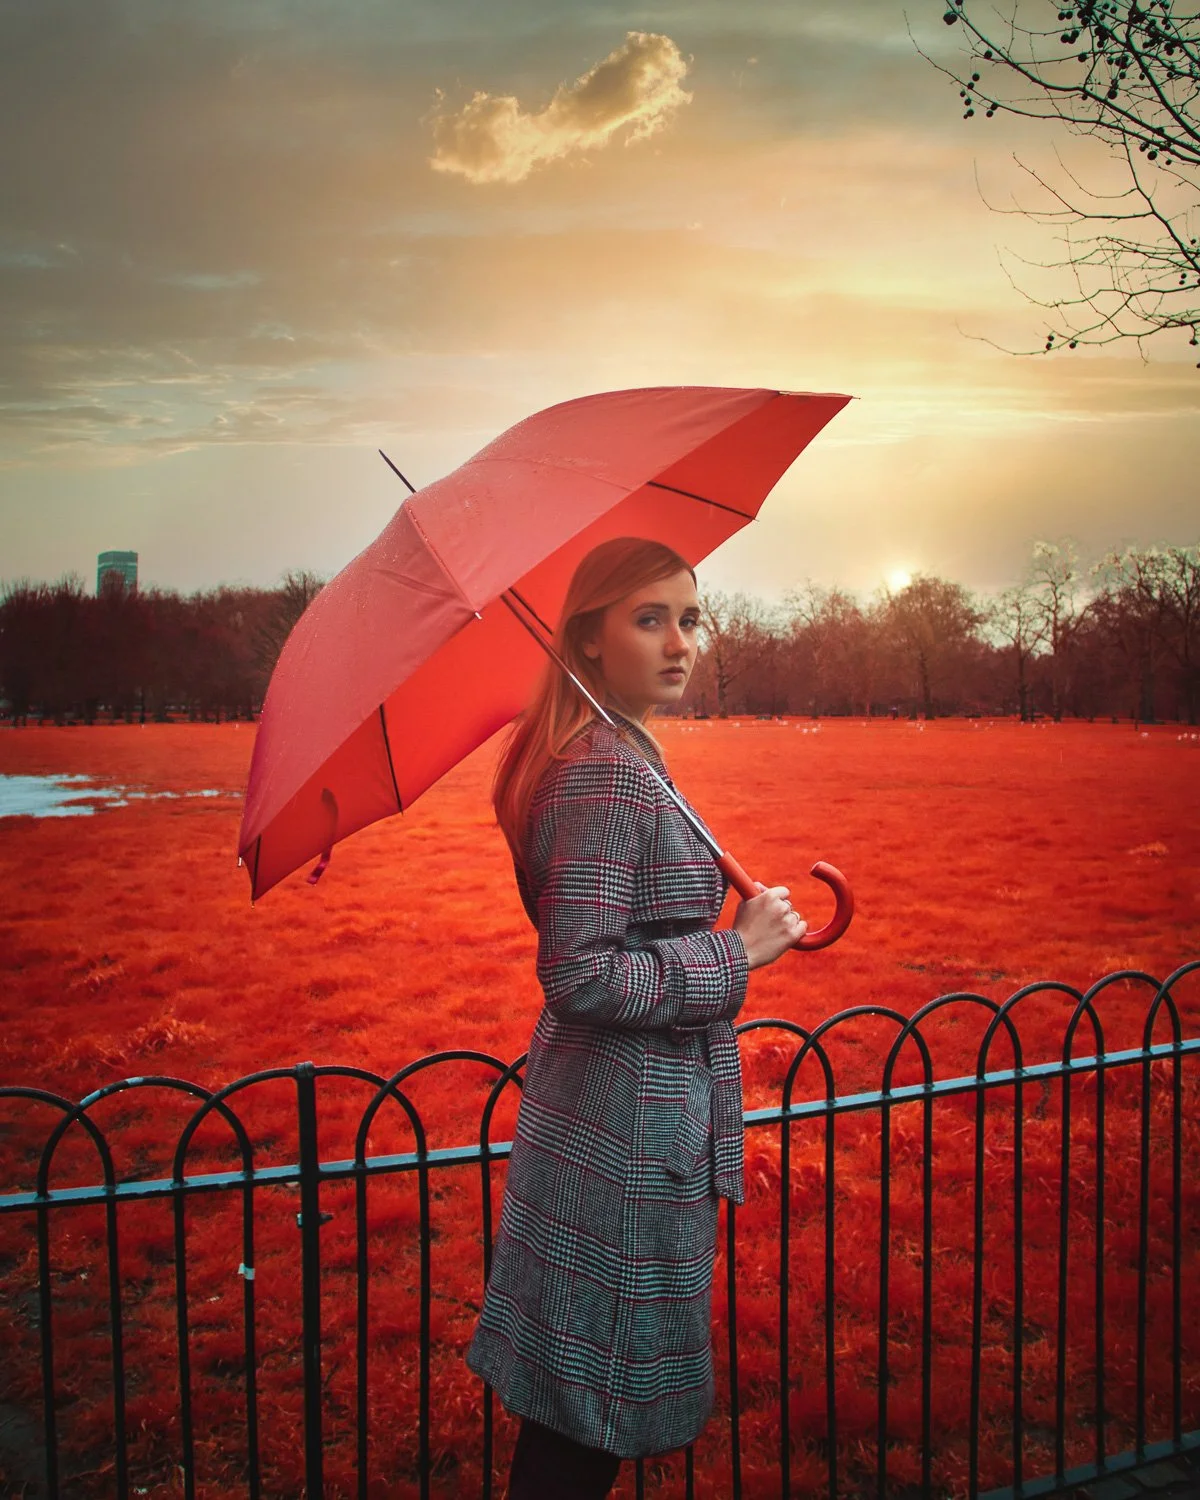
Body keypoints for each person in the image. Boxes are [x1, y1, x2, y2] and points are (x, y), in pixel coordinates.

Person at [466, 536, 805, 1499]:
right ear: (590, 637)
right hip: (623, 1135)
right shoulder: (607, 770)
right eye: (648, 619)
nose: (678, 642)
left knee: (578, 1405)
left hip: (605, 1118)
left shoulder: (608, 754)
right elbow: (579, 971)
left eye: (689, 618)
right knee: (590, 1415)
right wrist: (733, 951)